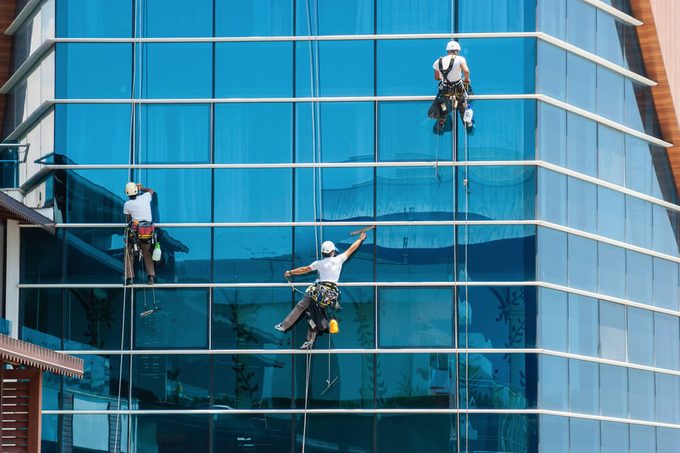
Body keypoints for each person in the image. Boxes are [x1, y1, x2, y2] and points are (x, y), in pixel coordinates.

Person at [275, 231, 368, 349]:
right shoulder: (339, 260)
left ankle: (284, 326)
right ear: (332, 251)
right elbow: (351, 249)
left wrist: (290, 272)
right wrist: (360, 238)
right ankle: (309, 341)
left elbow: (304, 269)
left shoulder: (319, 263)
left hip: (318, 291)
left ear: (323, 253)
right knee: (314, 314)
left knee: (302, 307)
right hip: (330, 295)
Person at [430, 40, 473, 130]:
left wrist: (445, 77)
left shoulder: (438, 61)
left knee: (443, 105)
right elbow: (466, 71)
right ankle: (467, 123)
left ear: (447, 50)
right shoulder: (460, 59)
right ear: (456, 50)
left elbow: (436, 77)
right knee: (462, 103)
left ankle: (441, 122)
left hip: (445, 89)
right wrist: (467, 80)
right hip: (458, 87)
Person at [123, 182, 156, 285]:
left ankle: (129, 278)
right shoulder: (145, 197)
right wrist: (142, 188)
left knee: (129, 252)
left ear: (127, 193)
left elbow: (128, 219)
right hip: (147, 231)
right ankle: (150, 277)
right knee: (147, 253)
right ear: (136, 191)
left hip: (135, 231)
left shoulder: (127, 204)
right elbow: (151, 191)